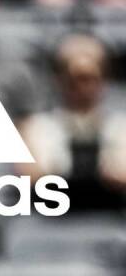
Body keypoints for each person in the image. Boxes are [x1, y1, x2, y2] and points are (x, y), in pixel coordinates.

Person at [21, 34, 126, 211]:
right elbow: (30, 175)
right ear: (59, 78)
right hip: (47, 221)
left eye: (90, 77)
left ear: (104, 78)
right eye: (75, 78)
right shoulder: (35, 127)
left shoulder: (121, 128)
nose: (82, 87)